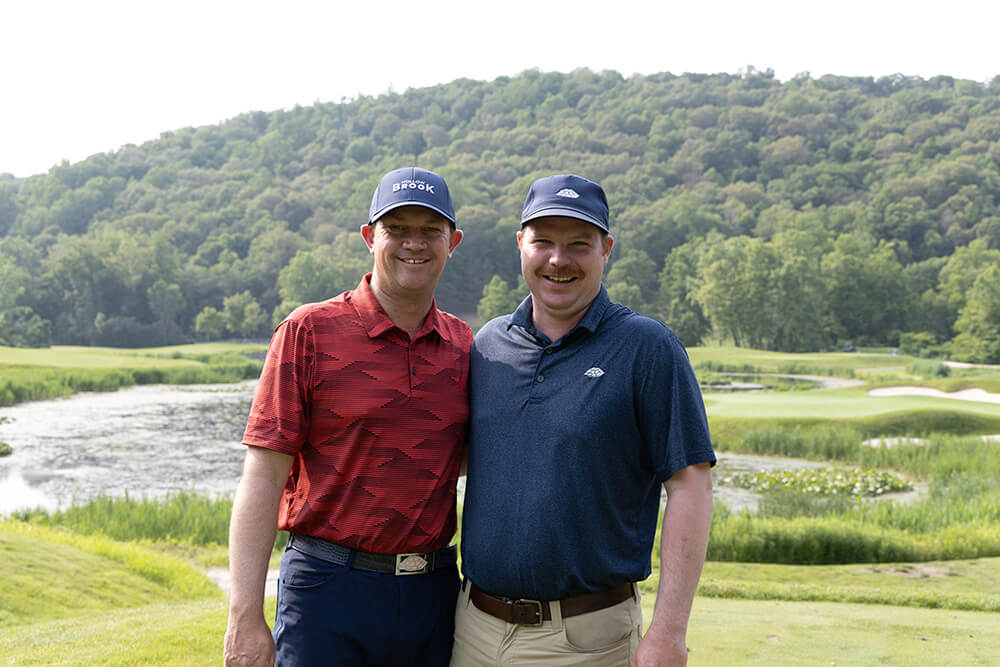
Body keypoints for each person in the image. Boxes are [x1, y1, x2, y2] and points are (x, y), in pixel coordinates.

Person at [453, 174, 716, 667]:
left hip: (586, 641)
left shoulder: (646, 347)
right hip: (470, 629)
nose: (558, 259)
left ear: (606, 250)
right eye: (544, 241)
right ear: (520, 245)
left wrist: (669, 630)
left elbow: (690, 485)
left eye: (579, 243)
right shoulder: (487, 345)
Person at [224, 167, 471, 667]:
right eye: (397, 228)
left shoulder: (465, 345)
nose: (413, 243)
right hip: (327, 589)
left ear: (453, 243)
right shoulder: (308, 331)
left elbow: (459, 459)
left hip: (434, 593)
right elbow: (264, 475)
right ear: (368, 237)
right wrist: (244, 615)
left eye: (429, 230)